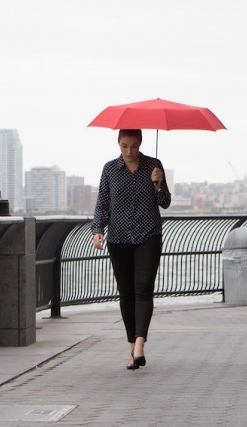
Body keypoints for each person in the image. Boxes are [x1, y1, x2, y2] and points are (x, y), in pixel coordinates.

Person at [91, 129, 171, 370]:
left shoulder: (153, 165)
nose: (129, 151)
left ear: (141, 144)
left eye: (134, 146)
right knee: (126, 292)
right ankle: (131, 345)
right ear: (118, 144)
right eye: (125, 146)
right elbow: (102, 203)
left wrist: (158, 185)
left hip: (148, 235)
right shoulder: (109, 169)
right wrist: (97, 229)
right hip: (118, 238)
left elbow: (164, 202)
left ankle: (139, 345)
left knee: (143, 289)